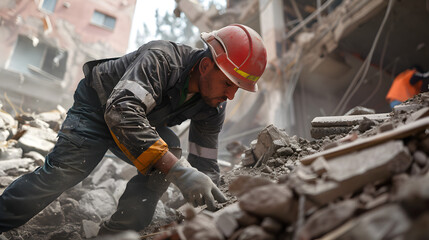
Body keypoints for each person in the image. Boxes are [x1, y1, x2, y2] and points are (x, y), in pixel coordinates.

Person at [0, 24, 267, 234]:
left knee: (169, 151)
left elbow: (205, 163)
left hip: (138, 122)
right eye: (229, 84)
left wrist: (213, 205)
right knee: (65, 174)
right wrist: (178, 171)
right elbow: (121, 111)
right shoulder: (162, 59)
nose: (231, 96)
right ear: (206, 66)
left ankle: (118, 233)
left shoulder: (212, 105)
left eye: (238, 89)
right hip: (97, 109)